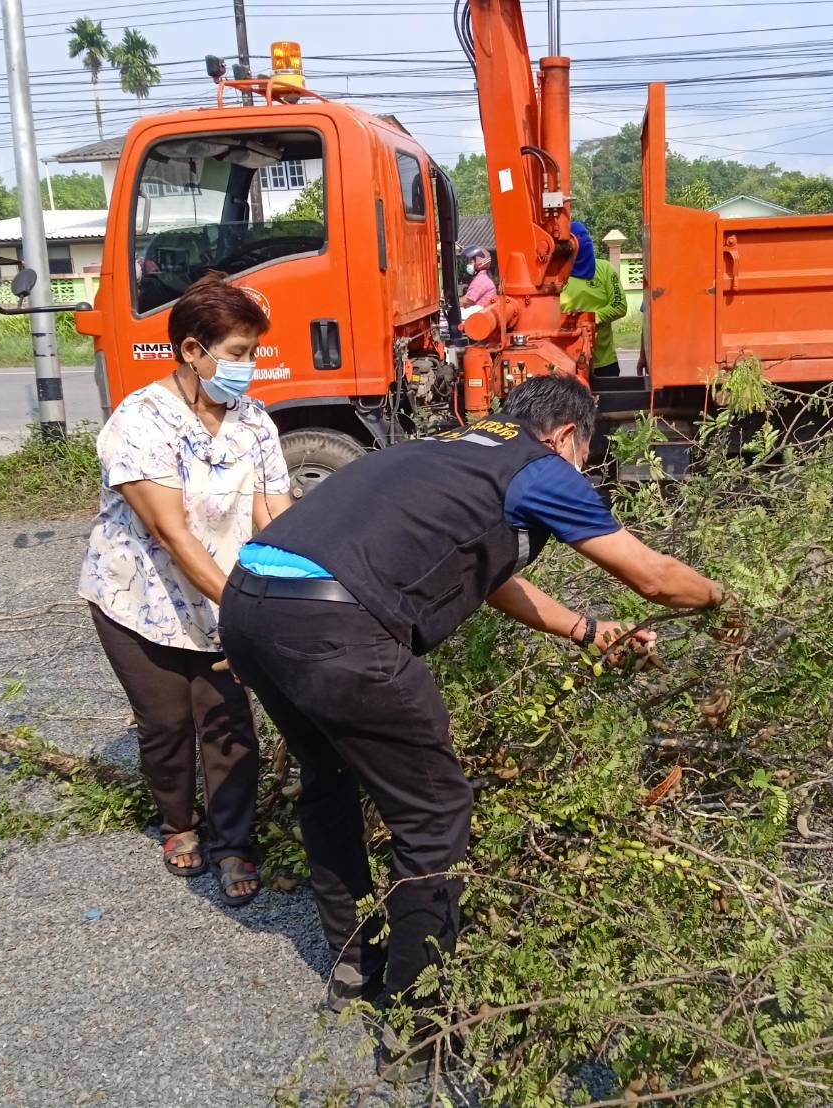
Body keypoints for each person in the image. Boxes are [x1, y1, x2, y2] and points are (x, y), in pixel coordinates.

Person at [218, 373, 725, 1075]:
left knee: (328, 778)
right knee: (434, 812)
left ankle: (351, 966)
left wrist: (585, 631)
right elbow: (656, 577)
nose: (581, 468)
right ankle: (420, 1029)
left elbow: (491, 577)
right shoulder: (539, 466)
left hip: (250, 604)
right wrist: (724, 605)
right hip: (334, 624)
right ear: (567, 435)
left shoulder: (450, 451)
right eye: (586, 452)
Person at [79, 273, 294, 909]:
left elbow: (275, 512)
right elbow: (171, 536)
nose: (248, 367)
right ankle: (179, 823)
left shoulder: (254, 423)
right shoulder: (139, 422)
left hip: (221, 590)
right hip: (138, 599)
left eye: (252, 352)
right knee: (167, 723)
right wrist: (247, 608)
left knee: (229, 722)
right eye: (236, 353)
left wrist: (307, 584)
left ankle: (233, 843)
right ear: (192, 351)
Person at [560, 220, 629, 379]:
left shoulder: (604, 269)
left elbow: (619, 306)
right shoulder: (555, 275)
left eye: (585, 237)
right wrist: (567, 320)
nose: (585, 241)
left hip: (604, 362)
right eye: (577, 239)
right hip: (567, 362)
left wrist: (591, 318)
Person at [459, 246, 498, 311]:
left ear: (479, 263)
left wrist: (452, 302)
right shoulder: (483, 277)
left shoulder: (481, 280)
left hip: (481, 315)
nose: (468, 265)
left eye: (471, 262)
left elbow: (468, 300)